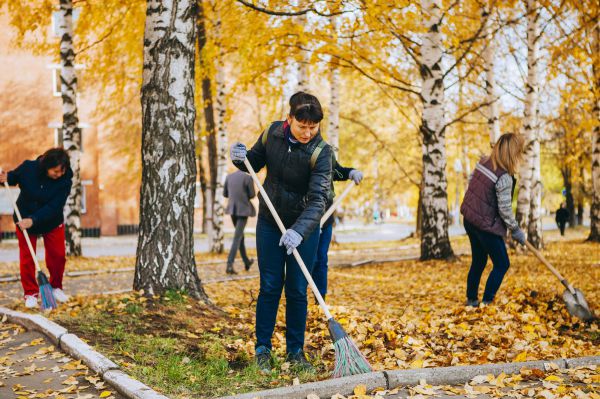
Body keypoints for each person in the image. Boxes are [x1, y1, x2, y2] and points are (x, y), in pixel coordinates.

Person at [229, 91, 332, 373]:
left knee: (297, 289)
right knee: (270, 286)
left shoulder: (322, 152)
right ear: (290, 120)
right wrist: (239, 157)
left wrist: (299, 231)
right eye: (302, 127)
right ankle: (262, 348)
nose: (308, 133)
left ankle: (295, 352)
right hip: (269, 222)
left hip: (304, 228)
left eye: (313, 127)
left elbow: (319, 199)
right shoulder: (272, 133)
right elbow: (252, 162)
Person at [0, 148, 73, 308]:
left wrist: (33, 220)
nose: (59, 174)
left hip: (50, 220)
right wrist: (5, 177)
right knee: (27, 258)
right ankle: (30, 293)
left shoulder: (65, 179)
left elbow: (55, 206)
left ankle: (55, 287)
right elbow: (13, 177)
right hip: (23, 217)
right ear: (46, 166)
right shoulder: (28, 168)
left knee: (58, 256)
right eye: (55, 171)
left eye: (62, 171)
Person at [460, 133, 525, 307]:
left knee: (479, 260)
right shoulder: (504, 176)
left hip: (470, 219)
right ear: (513, 154)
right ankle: (487, 302)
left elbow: (473, 185)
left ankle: (471, 300)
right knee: (502, 263)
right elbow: (504, 209)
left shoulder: (482, 162)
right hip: (483, 225)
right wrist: (516, 230)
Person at [312, 152, 363, 299]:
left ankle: (320, 298)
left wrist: (351, 173)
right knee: (306, 260)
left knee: (321, 259)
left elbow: (337, 172)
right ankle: (297, 298)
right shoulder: (298, 155)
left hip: (325, 218)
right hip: (301, 220)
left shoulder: (324, 153)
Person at [224, 170, 256, 274]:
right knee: (237, 237)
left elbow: (225, 194)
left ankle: (247, 261)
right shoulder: (248, 178)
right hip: (243, 210)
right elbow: (252, 195)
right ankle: (229, 265)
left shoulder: (229, 176)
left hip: (232, 209)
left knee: (240, 236)